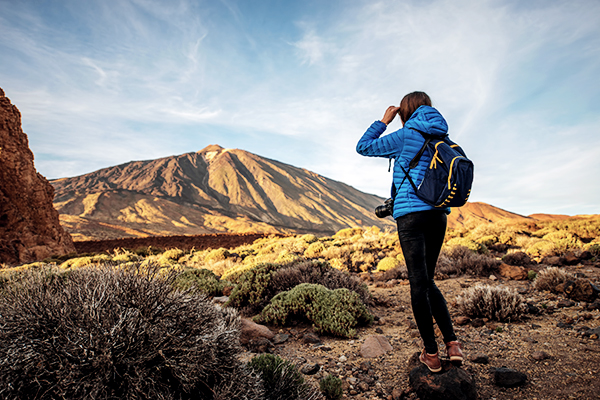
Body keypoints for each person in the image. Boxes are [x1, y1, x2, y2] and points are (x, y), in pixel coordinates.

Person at [356, 91, 463, 373]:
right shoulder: (444, 138)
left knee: (419, 284)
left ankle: (431, 354)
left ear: (405, 111)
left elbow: (364, 147)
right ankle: (453, 345)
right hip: (439, 216)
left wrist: (383, 121)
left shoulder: (406, 135)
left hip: (411, 216)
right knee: (428, 280)